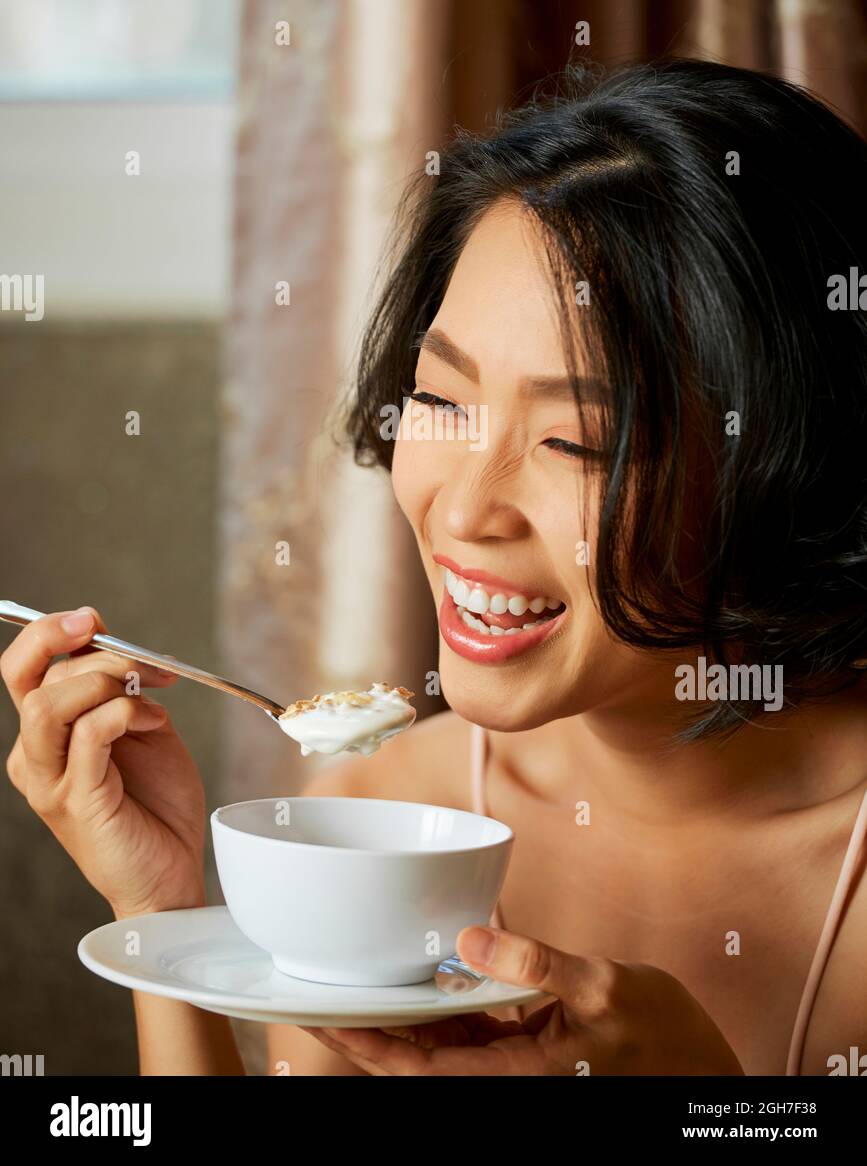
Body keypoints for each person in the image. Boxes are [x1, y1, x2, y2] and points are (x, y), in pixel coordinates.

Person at [5, 59, 867, 1076]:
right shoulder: (374, 825)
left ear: (785, 463)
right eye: (442, 400)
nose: (459, 510)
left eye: (576, 443)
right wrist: (158, 914)